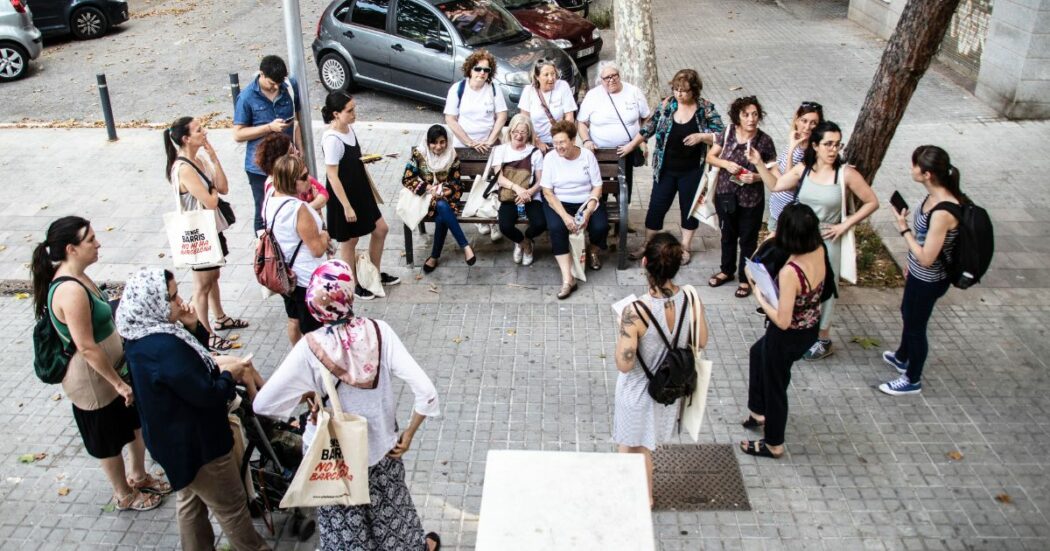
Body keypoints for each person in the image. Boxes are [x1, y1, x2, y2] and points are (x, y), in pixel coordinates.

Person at [254, 260, 442, 551]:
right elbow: (427, 392)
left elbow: (264, 404)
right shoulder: (380, 332)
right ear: (348, 295)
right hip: (382, 452)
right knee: (395, 529)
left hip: (334, 464)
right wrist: (408, 434)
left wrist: (309, 394)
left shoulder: (309, 348)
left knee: (348, 539)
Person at [117, 268, 269, 551]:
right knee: (232, 507)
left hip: (170, 443)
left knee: (189, 500)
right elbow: (207, 392)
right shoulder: (164, 347)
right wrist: (230, 375)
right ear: (153, 302)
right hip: (200, 445)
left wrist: (193, 326)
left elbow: (191, 369)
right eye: (172, 297)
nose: (180, 301)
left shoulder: (141, 333)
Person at [31, 217, 171, 512]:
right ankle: (123, 494)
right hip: (95, 381)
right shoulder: (69, 289)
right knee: (107, 436)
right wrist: (117, 384)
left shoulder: (81, 275)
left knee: (133, 424)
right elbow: (85, 346)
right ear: (71, 248)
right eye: (91, 239)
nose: (98, 243)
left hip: (114, 369)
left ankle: (138, 475)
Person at [770, 121, 879, 360]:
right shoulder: (804, 169)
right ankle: (799, 327)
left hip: (828, 239)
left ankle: (823, 339)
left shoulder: (846, 174)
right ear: (816, 146)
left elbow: (872, 201)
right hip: (801, 239)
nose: (833, 149)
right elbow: (777, 185)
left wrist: (845, 224)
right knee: (799, 285)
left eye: (837, 144)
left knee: (826, 289)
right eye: (828, 144)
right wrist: (758, 162)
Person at [613, 233, 707, 506]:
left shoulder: (635, 311)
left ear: (644, 263)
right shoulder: (691, 298)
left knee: (635, 446)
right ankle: (637, 493)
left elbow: (624, 363)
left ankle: (644, 497)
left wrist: (622, 327)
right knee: (637, 444)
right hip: (667, 390)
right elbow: (701, 341)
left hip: (637, 392)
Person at [741, 203, 826, 459]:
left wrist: (759, 294)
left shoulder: (791, 271)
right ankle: (758, 410)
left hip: (787, 335)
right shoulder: (819, 249)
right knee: (757, 353)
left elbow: (782, 320)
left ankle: (773, 443)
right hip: (810, 327)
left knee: (776, 386)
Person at [878, 145, 962, 396]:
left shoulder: (944, 212)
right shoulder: (932, 196)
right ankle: (903, 356)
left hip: (930, 278)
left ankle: (912, 378)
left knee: (916, 326)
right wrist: (910, 261)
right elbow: (924, 243)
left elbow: (927, 257)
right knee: (907, 312)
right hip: (918, 273)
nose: (910, 168)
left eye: (915, 165)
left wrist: (903, 229)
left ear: (927, 174)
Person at [623, 69, 725, 264]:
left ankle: (685, 247)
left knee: (689, 209)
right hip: (666, 168)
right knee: (656, 206)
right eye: (676, 89)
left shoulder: (705, 108)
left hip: (692, 169)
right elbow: (649, 127)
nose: (679, 94)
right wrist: (630, 146)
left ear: (694, 90)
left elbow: (722, 133)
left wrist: (702, 137)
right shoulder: (667, 105)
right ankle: (648, 244)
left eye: (684, 91)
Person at [164, 116, 248, 351]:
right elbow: (211, 201)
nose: (205, 132)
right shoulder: (183, 169)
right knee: (201, 285)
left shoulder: (199, 159)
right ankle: (205, 332)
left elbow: (222, 188)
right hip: (199, 234)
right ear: (185, 138)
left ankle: (220, 317)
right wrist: (211, 190)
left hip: (211, 229)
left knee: (213, 277)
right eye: (199, 130)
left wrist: (213, 157)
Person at [321, 91, 399, 301]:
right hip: (345, 195)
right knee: (350, 240)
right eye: (350, 110)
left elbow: (351, 159)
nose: (354, 113)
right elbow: (332, 176)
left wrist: (365, 160)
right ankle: (353, 284)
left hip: (360, 189)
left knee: (380, 228)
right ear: (336, 114)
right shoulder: (332, 139)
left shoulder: (348, 129)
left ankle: (373, 274)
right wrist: (346, 206)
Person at [704, 96, 779, 299]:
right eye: (746, 114)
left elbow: (772, 174)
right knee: (727, 235)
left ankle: (746, 278)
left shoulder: (765, 141)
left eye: (755, 114)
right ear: (738, 116)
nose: (751, 119)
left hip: (751, 198)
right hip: (725, 194)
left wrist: (755, 177)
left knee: (748, 239)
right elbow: (711, 157)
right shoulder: (727, 133)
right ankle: (726, 270)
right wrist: (726, 164)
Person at [265, 154, 331, 344]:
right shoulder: (299, 209)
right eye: (303, 177)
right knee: (316, 335)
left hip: (286, 275)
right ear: (292, 182)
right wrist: (325, 235)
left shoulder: (271, 197)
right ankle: (314, 368)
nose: (309, 179)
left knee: (295, 320)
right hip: (307, 280)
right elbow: (317, 249)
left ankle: (298, 359)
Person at [234, 54, 303, 235]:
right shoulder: (247, 97)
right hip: (260, 166)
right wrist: (268, 128)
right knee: (263, 208)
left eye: (279, 83)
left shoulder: (289, 87)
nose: (275, 87)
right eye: (272, 83)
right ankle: (264, 248)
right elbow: (238, 134)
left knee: (290, 202)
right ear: (261, 74)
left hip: (287, 161)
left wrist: (300, 149)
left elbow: (297, 120)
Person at [444, 49, 508, 241]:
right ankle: (481, 217)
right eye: (478, 69)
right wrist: (469, 142)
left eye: (486, 70)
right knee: (475, 181)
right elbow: (451, 119)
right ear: (470, 69)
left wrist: (490, 140)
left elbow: (502, 116)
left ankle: (493, 219)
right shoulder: (458, 89)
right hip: (465, 146)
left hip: (489, 145)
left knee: (492, 182)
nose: (482, 73)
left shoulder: (493, 89)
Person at [541, 120, 609, 299]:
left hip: (585, 201)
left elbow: (597, 187)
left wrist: (587, 211)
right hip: (559, 202)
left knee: (600, 226)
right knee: (557, 228)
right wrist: (565, 216)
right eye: (555, 143)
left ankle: (593, 250)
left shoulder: (587, 156)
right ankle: (568, 279)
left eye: (562, 142)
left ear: (573, 140)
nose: (558, 147)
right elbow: (547, 192)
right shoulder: (550, 158)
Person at [578, 60, 652, 214]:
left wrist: (642, 141)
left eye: (614, 75)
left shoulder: (634, 92)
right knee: (601, 185)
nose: (611, 80)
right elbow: (582, 123)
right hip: (600, 151)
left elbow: (646, 119)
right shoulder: (593, 95)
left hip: (627, 149)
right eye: (607, 78)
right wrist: (586, 141)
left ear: (619, 75)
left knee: (625, 185)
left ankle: (622, 220)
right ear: (601, 80)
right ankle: (599, 215)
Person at [402, 124, 475, 273]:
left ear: (447, 142)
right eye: (434, 142)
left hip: (446, 199)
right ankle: (465, 246)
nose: (438, 146)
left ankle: (434, 256)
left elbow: (456, 183)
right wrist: (428, 188)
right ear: (428, 142)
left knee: (442, 209)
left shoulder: (452, 156)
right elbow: (407, 178)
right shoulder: (419, 154)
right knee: (442, 209)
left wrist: (445, 191)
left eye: (442, 142)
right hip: (423, 200)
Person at [488, 114, 545, 266]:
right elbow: (499, 178)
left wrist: (529, 193)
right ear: (510, 131)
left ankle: (527, 238)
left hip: (531, 195)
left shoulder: (535, 152)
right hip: (509, 195)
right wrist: (518, 189)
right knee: (505, 226)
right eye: (515, 132)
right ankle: (523, 244)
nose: (519, 136)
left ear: (529, 133)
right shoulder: (500, 150)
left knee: (540, 224)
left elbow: (541, 180)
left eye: (523, 132)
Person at [767, 102, 823, 235]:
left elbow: (789, 182)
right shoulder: (797, 140)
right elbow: (776, 166)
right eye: (804, 121)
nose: (807, 127)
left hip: (790, 215)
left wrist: (791, 149)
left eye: (813, 123)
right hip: (776, 210)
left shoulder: (811, 151)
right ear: (797, 120)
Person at [255, 132, 329, 213]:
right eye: (291, 151)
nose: (297, 151)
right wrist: (313, 207)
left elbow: (323, 192)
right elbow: (294, 213)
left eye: (294, 147)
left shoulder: (295, 174)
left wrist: (309, 207)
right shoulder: (276, 189)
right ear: (281, 162)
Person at [517, 57, 577, 153]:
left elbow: (569, 117)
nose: (551, 78)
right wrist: (537, 141)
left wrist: (562, 140)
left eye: (553, 74)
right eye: (546, 75)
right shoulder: (528, 91)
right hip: (535, 141)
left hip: (559, 140)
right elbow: (524, 121)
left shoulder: (563, 86)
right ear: (537, 77)